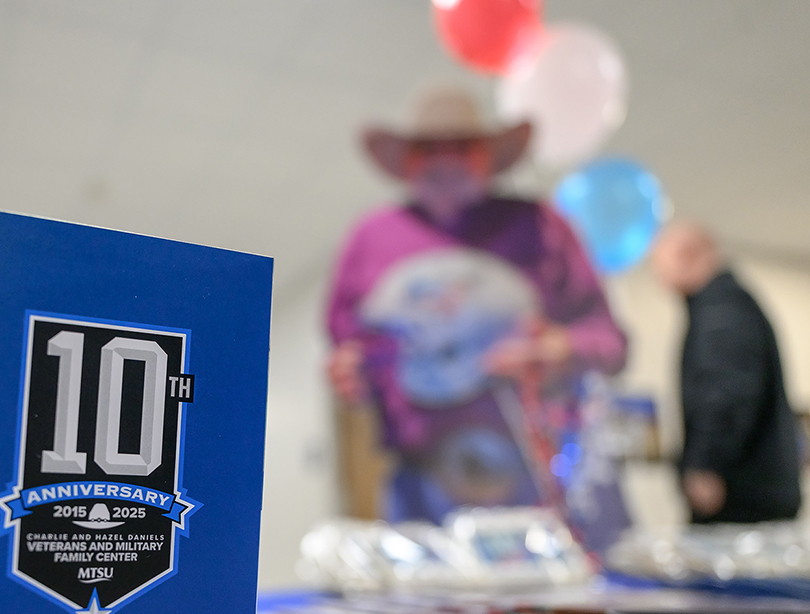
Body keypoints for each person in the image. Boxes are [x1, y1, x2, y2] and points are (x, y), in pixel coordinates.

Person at [327, 87, 627, 523]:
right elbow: (348, 345)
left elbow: (611, 340)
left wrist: (559, 349)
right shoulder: (370, 238)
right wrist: (350, 372)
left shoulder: (540, 225)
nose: (444, 161)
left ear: (488, 156)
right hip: (417, 482)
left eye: (462, 148)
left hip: (533, 473)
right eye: (428, 149)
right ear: (407, 161)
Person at [650, 221, 802, 524]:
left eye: (660, 266)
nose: (659, 278)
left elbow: (727, 391)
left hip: (742, 493)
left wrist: (706, 464)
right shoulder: (729, 305)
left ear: (688, 257)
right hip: (756, 487)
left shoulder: (722, 310)